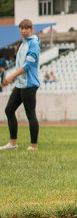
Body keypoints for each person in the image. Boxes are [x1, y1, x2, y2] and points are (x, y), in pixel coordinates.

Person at [0, 19, 41, 151]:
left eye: (27, 28)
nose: (24, 30)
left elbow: (27, 66)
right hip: (21, 84)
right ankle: (13, 144)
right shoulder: (23, 43)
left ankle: (33, 145)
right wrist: (16, 82)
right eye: (22, 28)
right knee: (9, 110)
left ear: (31, 29)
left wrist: (11, 77)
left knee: (30, 114)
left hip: (29, 84)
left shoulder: (34, 43)